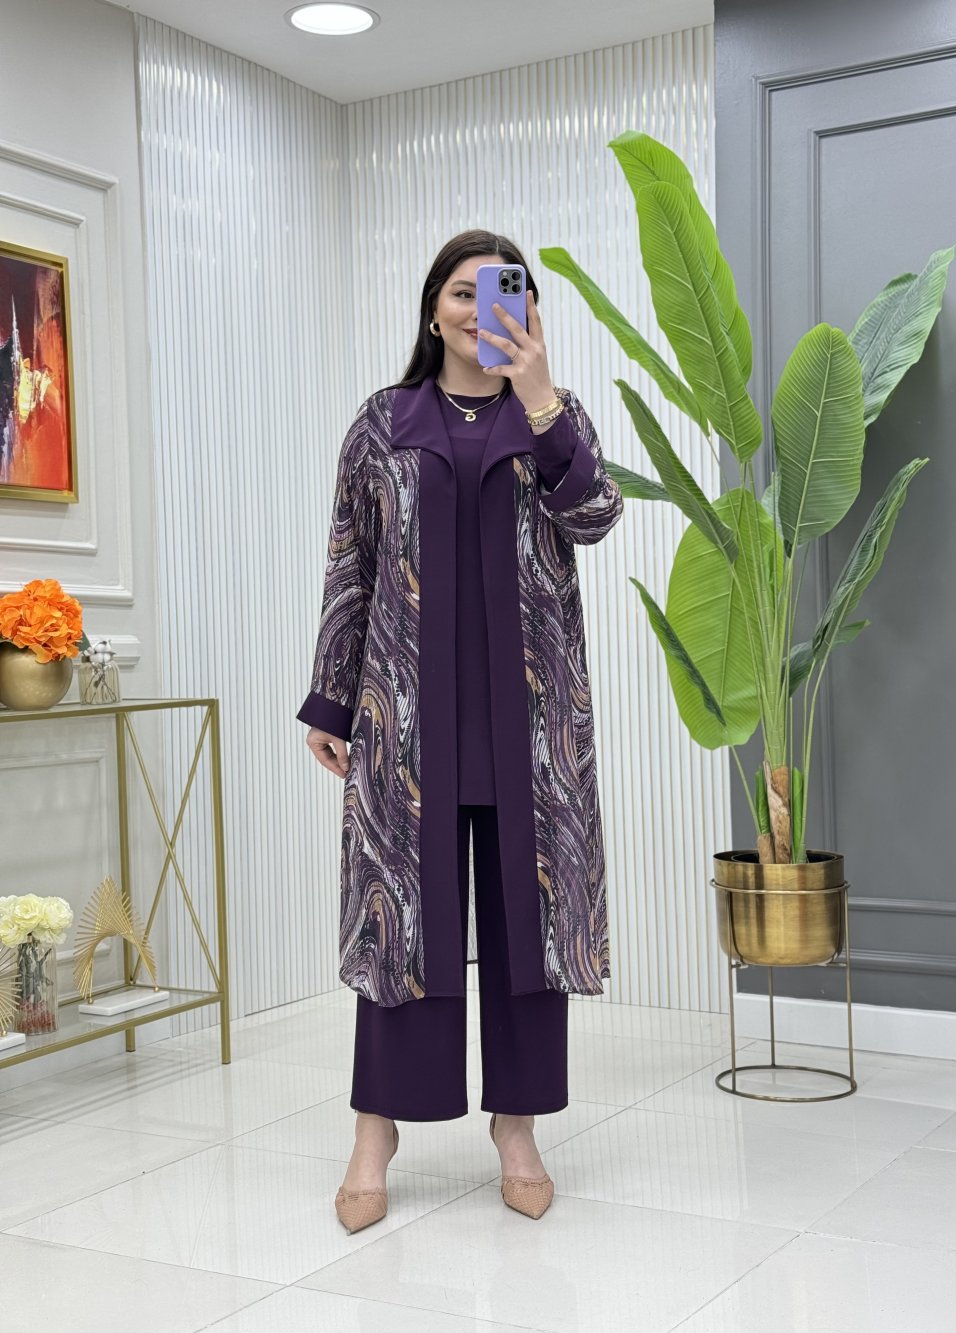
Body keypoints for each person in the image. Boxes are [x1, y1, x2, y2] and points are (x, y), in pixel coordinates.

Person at [298, 229, 623, 1232]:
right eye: (459, 292)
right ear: (432, 310)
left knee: (526, 927)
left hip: (529, 725)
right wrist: (331, 699)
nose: (478, 309)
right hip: (407, 721)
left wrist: (542, 397)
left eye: (500, 291)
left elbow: (596, 516)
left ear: (526, 309)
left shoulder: (552, 416)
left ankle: (516, 1126)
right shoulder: (382, 422)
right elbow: (350, 561)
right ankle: (376, 1131)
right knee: (399, 921)